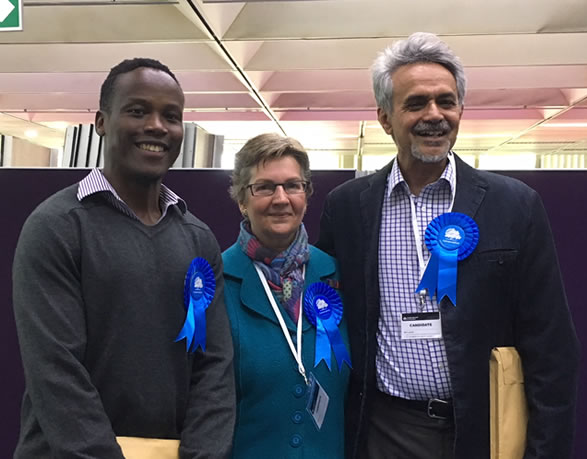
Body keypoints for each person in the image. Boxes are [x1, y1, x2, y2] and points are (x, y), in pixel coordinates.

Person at [317, 33, 580, 459]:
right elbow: (328, 314)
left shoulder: (514, 205)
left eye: (446, 101)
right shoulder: (348, 207)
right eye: (416, 103)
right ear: (385, 118)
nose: (434, 115)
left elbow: (552, 348)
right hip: (385, 431)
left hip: (484, 428)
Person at [12, 58, 235, 458]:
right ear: (101, 121)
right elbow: (57, 374)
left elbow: (214, 368)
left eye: (171, 115)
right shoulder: (57, 227)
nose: (156, 126)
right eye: (137, 111)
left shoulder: (198, 239)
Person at [222, 133, 351, 458]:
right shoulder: (216, 280)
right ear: (241, 199)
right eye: (264, 187)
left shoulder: (338, 275)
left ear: (306, 195)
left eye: (293, 185)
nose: (281, 198)